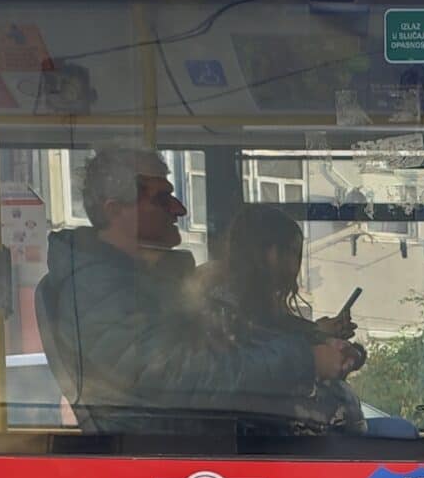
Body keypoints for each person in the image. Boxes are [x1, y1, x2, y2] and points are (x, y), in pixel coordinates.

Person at [37, 149, 347, 435]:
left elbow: (234, 340)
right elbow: (184, 379)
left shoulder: (146, 283)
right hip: (168, 455)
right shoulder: (97, 293)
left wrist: (311, 340)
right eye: (162, 199)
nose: (180, 209)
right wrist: (304, 361)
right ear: (116, 211)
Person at [193, 204, 364, 435]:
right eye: (293, 253)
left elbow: (274, 330)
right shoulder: (220, 309)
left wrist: (320, 334)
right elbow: (244, 369)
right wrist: (312, 360)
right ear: (271, 254)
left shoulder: (246, 301)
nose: (296, 267)